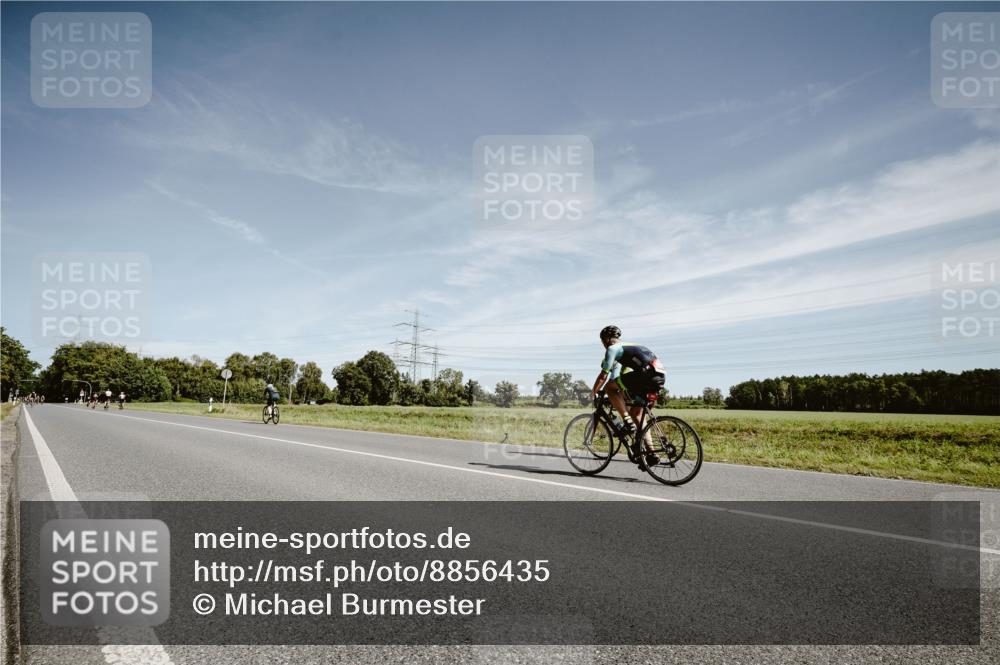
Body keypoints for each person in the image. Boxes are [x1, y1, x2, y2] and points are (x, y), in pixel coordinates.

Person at [589, 325, 666, 469]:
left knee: (609, 388)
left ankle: (626, 421)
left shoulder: (613, 349)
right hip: (660, 376)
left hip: (645, 376)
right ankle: (651, 453)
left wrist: (593, 392)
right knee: (638, 415)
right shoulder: (634, 344)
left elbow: (603, 375)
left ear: (605, 341)